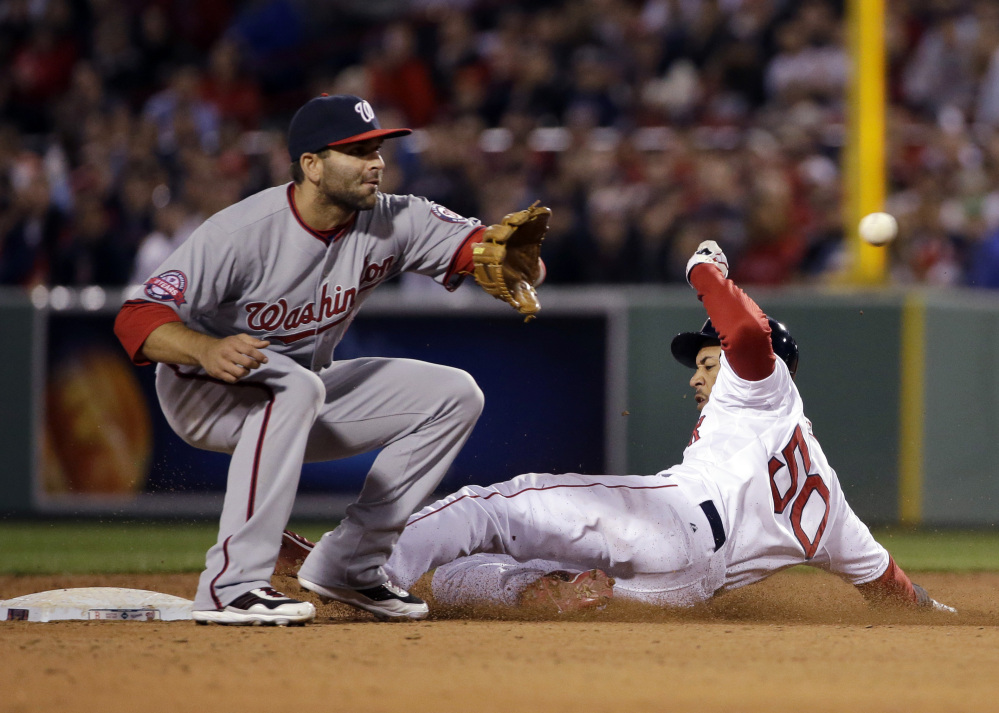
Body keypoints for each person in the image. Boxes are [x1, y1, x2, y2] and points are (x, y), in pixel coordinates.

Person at [114, 94, 544, 626]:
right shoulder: (241, 232)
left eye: (377, 148)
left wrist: (509, 260)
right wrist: (205, 348)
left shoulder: (393, 218)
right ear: (311, 166)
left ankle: (350, 564)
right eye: (357, 151)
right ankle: (232, 584)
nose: (377, 162)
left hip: (301, 388)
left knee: (455, 395)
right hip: (205, 390)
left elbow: (476, 247)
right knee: (296, 386)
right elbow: (136, 317)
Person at [376, 240, 956, 615]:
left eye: (708, 361)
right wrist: (938, 616)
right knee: (459, 578)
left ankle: (365, 564)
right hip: (685, 590)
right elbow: (891, 588)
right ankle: (540, 590)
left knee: (493, 506)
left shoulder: (762, 387)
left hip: (675, 518)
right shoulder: (829, 501)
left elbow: (748, 339)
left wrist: (705, 269)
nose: (697, 378)